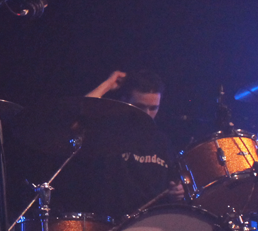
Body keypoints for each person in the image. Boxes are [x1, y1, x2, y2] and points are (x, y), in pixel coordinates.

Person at [53, 67, 184, 220]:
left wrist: (178, 192)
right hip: (106, 226)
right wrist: (107, 85)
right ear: (124, 101)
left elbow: (174, 185)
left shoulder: (162, 142)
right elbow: (75, 118)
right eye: (140, 107)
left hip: (151, 228)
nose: (147, 114)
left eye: (153, 108)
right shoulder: (106, 130)